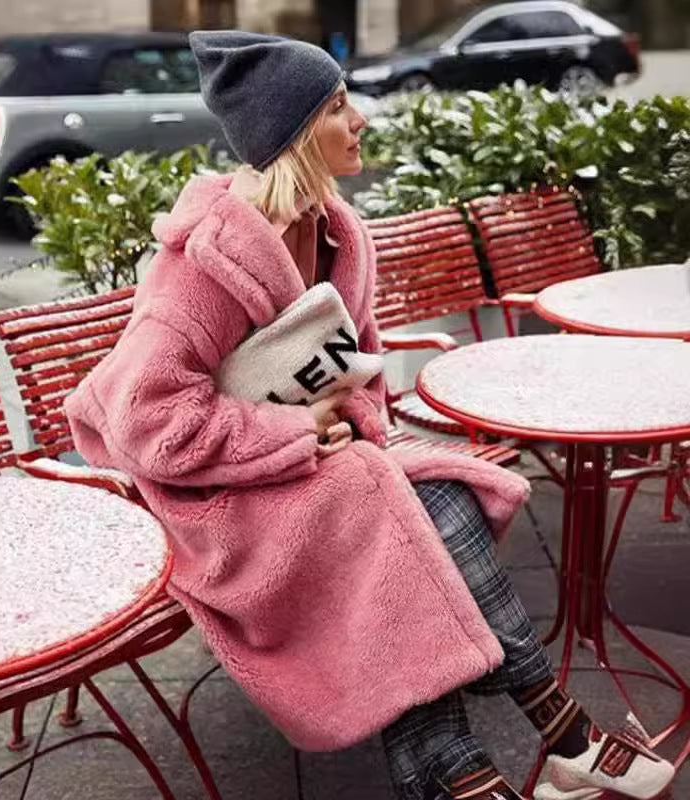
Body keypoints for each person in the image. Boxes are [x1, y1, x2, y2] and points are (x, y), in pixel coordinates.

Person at [64, 31, 676, 800]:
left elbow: (362, 368)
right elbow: (148, 425)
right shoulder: (201, 269)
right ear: (291, 135)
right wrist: (296, 434)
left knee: (435, 496)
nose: (360, 121)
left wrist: (344, 423)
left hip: (314, 463)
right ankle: (553, 731)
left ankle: (477, 768)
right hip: (210, 497)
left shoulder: (338, 232)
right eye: (336, 107)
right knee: (375, 501)